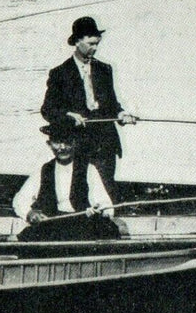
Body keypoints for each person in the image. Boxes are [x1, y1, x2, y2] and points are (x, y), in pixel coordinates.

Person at [40, 16, 135, 195]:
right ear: (77, 41)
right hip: (78, 145)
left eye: (97, 44)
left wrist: (122, 114)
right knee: (80, 193)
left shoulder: (105, 69)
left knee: (105, 191)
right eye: (91, 43)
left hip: (106, 142)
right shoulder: (60, 73)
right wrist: (68, 115)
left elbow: (112, 104)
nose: (95, 48)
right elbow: (47, 110)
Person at [13, 121, 121, 242]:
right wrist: (30, 214)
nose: (62, 147)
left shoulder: (88, 169)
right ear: (49, 144)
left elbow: (104, 203)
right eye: (57, 142)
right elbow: (20, 200)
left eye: (67, 142)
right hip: (52, 225)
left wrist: (98, 210)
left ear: (74, 143)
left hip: (82, 225)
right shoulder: (44, 170)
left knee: (107, 232)